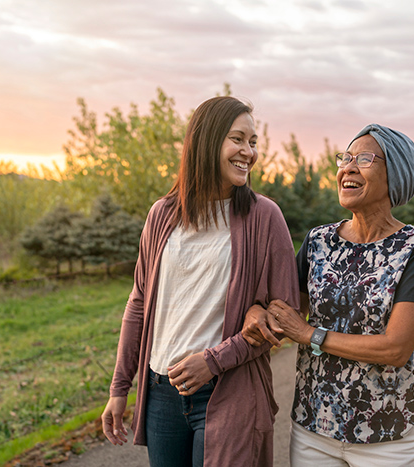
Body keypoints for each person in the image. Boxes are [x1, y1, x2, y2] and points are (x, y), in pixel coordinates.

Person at [101, 96, 299, 467]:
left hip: (228, 389)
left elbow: (282, 315)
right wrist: (119, 388)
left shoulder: (264, 217)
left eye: (253, 142)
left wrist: (214, 360)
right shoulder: (162, 215)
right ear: (206, 141)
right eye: (237, 139)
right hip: (162, 393)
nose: (248, 152)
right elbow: (139, 303)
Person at [243, 124, 414, 466]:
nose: (348, 167)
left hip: (387, 435)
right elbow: (285, 312)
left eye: (364, 158)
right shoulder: (318, 241)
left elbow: (395, 348)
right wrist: (256, 313)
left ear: (395, 175)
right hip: (313, 429)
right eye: (345, 157)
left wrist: (309, 334)